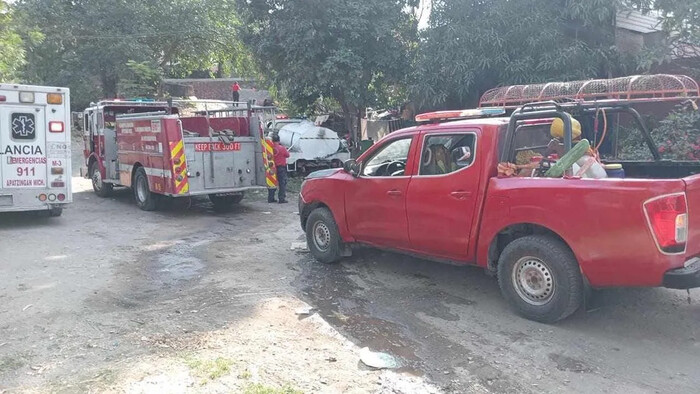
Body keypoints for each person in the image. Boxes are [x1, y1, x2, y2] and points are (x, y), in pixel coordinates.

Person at [269, 133, 290, 203]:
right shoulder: (282, 148)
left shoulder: (269, 148)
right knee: (282, 183)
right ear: (278, 140)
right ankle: (281, 198)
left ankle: (270, 198)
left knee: (271, 182)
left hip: (272, 167)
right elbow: (287, 155)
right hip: (281, 168)